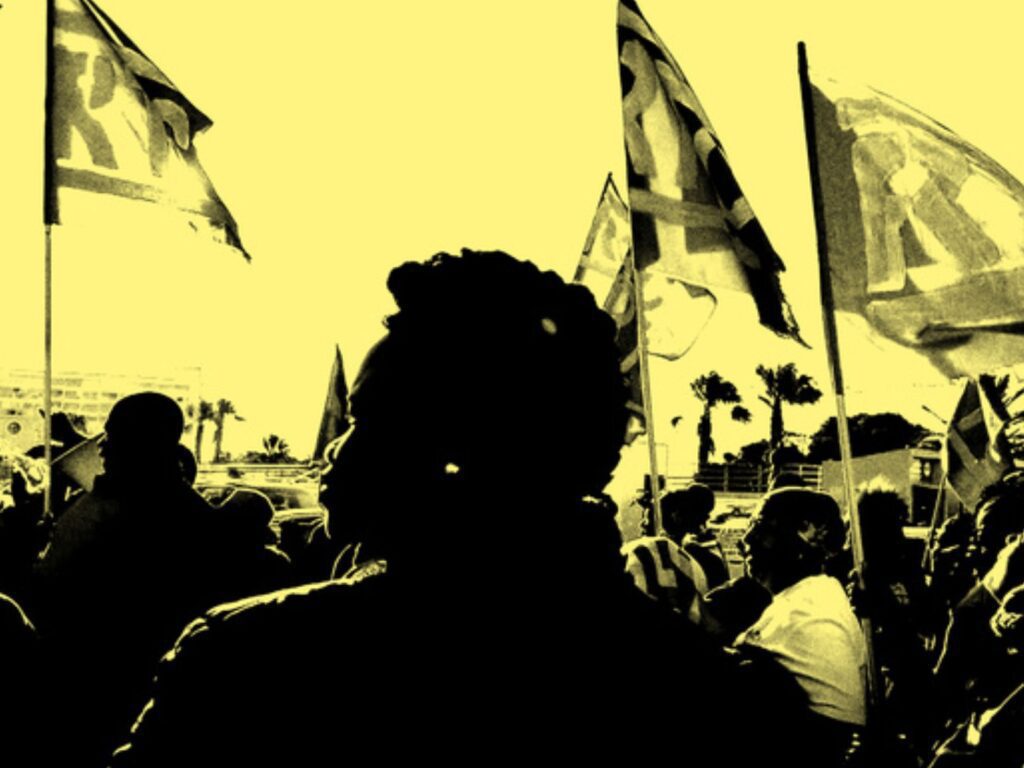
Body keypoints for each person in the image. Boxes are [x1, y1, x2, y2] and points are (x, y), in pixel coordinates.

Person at [111, 250, 753, 766]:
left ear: (456, 451)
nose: (333, 450)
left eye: (364, 419)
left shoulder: (251, 667)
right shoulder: (716, 698)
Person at [31, 392, 235, 767]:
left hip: (107, 705)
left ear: (148, 442)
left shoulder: (173, 521)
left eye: (114, 435)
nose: (102, 446)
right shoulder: (143, 503)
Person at [734, 487, 866, 766]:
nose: (747, 539)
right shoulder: (814, 594)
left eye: (760, 525)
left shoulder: (809, 606)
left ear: (806, 533)